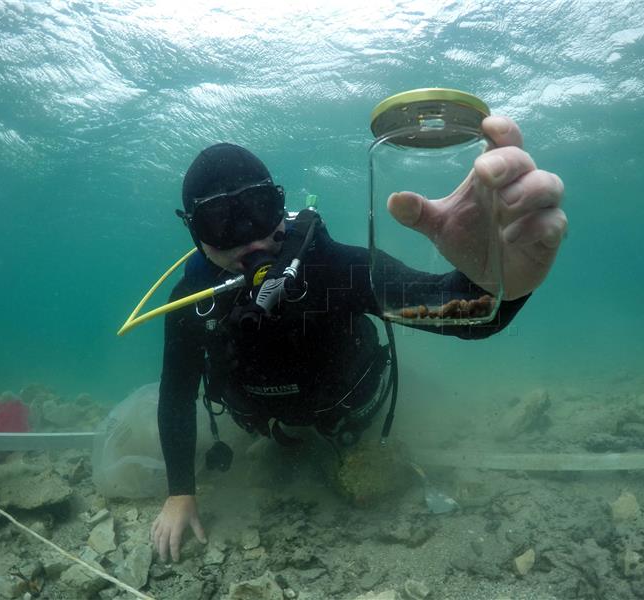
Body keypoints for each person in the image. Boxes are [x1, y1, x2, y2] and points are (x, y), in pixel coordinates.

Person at [150, 115, 567, 562]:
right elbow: (176, 394)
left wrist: (501, 285)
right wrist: (180, 493)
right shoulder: (192, 303)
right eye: (220, 222)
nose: (249, 236)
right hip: (262, 424)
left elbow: (466, 314)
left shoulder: (336, 268)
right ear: (196, 234)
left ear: (280, 207)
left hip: (352, 413)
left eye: (258, 209)